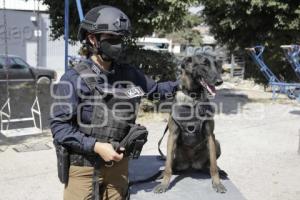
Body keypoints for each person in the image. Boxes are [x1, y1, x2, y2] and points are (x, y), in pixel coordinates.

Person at [50, 5, 178, 200]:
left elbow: (157, 92)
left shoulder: (129, 74)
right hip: (83, 169)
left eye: (120, 39)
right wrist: (96, 146)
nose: (118, 44)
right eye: (112, 39)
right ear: (93, 39)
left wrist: (186, 82)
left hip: (119, 168)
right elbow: (60, 128)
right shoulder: (73, 79)